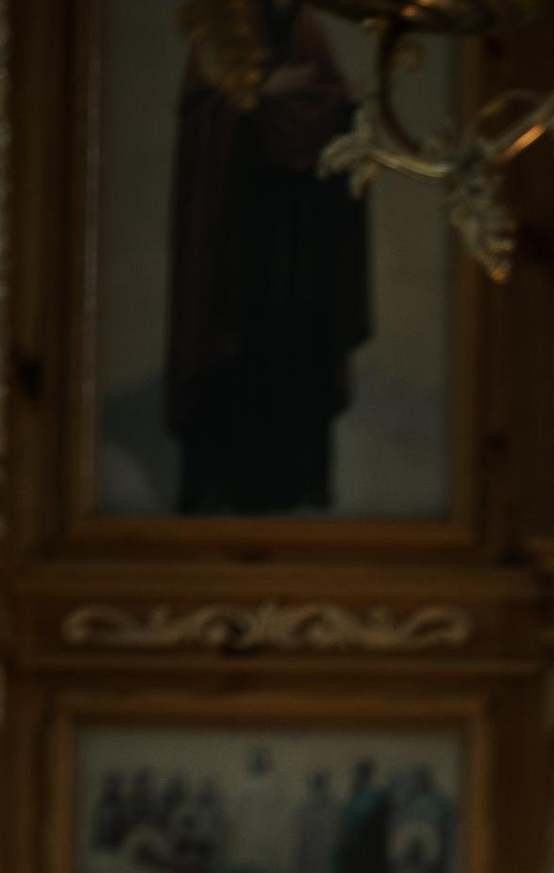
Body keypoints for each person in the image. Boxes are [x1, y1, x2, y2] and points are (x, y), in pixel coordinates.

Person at [165, 1, 372, 518]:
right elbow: (204, 116)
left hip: (298, 244)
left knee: (296, 351)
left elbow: (337, 109)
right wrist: (260, 95)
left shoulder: (306, 30)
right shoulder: (220, 29)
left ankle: (298, 481)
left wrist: (337, 106)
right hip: (232, 239)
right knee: (233, 355)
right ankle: (220, 484)